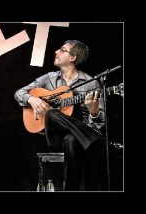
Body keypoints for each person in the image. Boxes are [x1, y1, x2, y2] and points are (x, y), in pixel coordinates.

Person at [14, 40, 107, 191]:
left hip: (76, 140)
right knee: (51, 113)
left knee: (71, 140)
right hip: (54, 136)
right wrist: (31, 99)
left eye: (62, 50)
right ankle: (97, 142)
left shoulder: (91, 83)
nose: (57, 51)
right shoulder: (48, 78)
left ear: (73, 58)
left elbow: (99, 122)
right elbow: (19, 93)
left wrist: (94, 112)